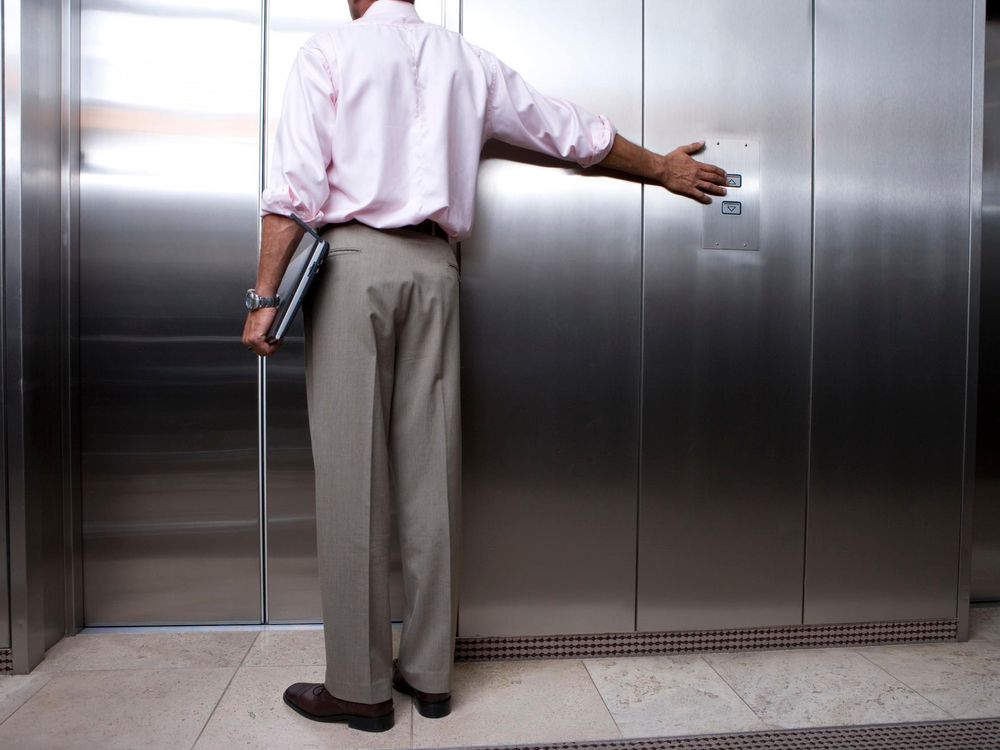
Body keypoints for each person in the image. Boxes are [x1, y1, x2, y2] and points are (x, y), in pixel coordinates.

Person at [242, 0, 728, 734]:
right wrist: (660, 167)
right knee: (432, 471)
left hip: (353, 266)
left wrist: (264, 298)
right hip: (435, 269)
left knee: (352, 477)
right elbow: (570, 131)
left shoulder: (329, 53)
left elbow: (295, 190)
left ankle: (361, 687)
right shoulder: (466, 62)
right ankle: (430, 675)